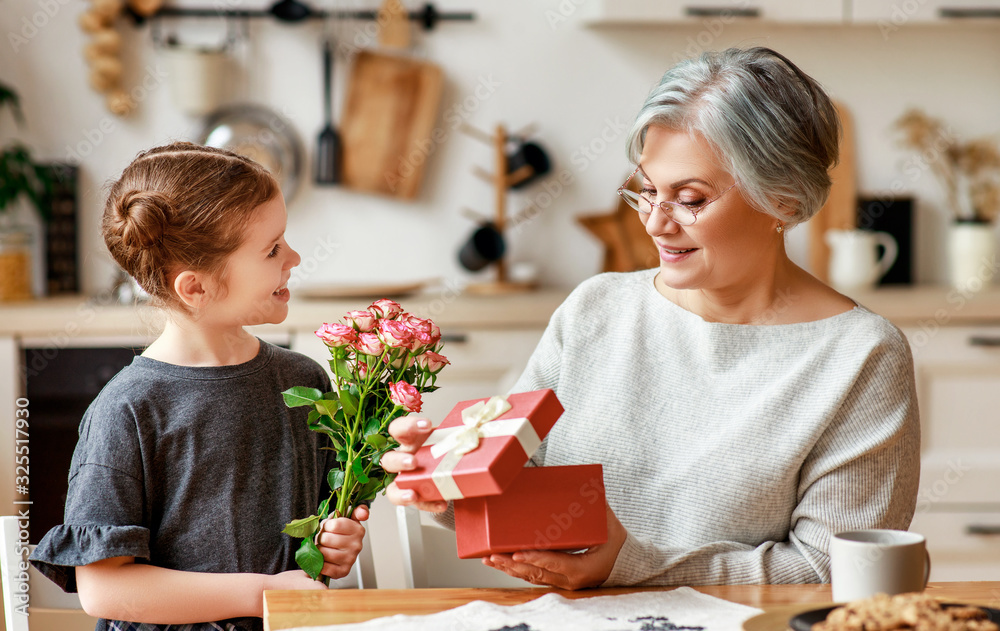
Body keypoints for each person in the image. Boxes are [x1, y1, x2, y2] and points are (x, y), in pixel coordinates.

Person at [380, 47, 920, 590]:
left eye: (690, 199)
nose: (657, 223)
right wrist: (449, 484)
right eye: (646, 191)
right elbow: (524, 489)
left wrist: (631, 565)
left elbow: (830, 571)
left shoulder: (860, 357)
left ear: (782, 199)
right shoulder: (596, 310)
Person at [30, 142, 368, 631]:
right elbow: (104, 589)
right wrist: (263, 593)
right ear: (195, 288)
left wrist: (339, 542)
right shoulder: (127, 410)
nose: (293, 257)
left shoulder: (304, 382)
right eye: (272, 249)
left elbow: (320, 538)